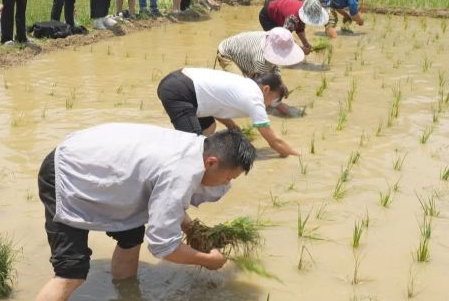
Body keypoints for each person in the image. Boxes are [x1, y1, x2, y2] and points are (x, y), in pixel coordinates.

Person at [35, 123, 256, 300]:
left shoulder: (198, 146)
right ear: (211, 162)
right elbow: (163, 246)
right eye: (229, 177)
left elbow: (167, 202)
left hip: (100, 166)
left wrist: (191, 228)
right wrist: (207, 260)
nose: (226, 184)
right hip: (66, 173)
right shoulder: (180, 172)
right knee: (71, 273)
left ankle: (127, 293)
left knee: (131, 236)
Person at [157, 68, 300, 157]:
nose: (271, 105)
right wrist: (296, 155)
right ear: (266, 89)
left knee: (209, 129)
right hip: (180, 92)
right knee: (193, 148)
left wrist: (233, 127)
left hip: (181, 81)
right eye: (274, 101)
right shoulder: (255, 98)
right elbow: (274, 141)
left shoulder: (246, 84)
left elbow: (217, 104)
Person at [215, 27, 304, 77]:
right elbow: (262, 83)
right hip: (227, 54)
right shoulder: (261, 58)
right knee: (242, 85)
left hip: (244, 54)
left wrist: (281, 83)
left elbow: (273, 67)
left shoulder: (272, 40)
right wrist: (278, 104)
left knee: (252, 77)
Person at [258, 0, 328, 54]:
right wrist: (300, 50)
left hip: (280, 13)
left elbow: (299, 29)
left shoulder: (305, 8)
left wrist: (305, 43)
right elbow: (284, 39)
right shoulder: (293, 18)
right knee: (276, 42)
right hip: (268, 17)